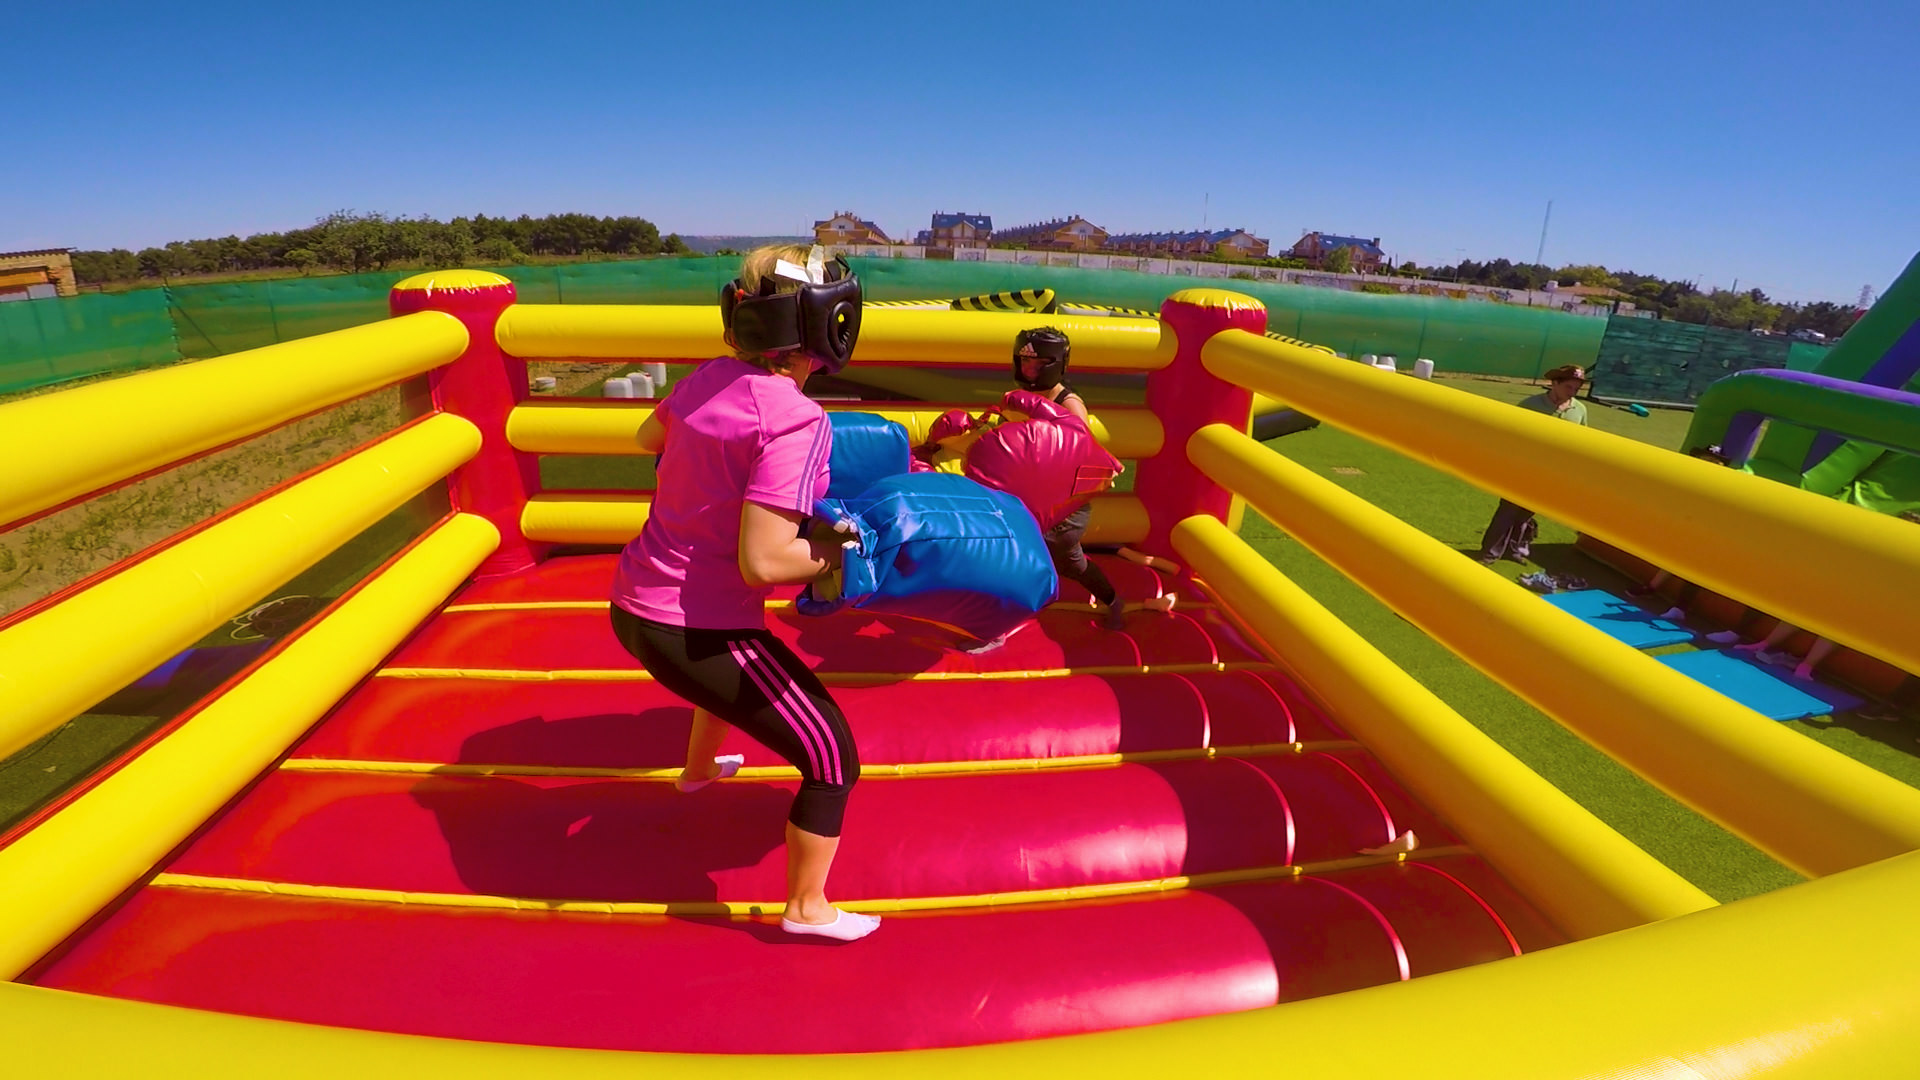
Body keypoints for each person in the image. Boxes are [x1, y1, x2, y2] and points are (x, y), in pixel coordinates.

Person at [607, 244, 878, 942]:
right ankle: (807, 908)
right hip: (695, 628)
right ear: (826, 324)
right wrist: (843, 549)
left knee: (728, 674)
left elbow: (647, 437)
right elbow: (763, 564)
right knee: (832, 756)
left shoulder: (707, 380)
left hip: (633, 604)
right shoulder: (795, 418)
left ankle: (698, 774)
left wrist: (718, 476)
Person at [1011, 327, 1131, 629]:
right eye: (1025, 363)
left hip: (1066, 505)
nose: (1029, 370)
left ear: (1055, 365)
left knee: (1069, 560)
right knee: (1013, 549)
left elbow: (1085, 454)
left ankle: (1114, 600)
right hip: (1031, 496)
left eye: (1037, 365)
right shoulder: (1022, 397)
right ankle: (1001, 619)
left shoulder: (1068, 405)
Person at [1477, 364, 1590, 564]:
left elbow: (1583, 440)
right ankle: (1489, 553)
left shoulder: (1579, 410)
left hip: (1551, 473)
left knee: (1526, 513)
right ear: (1554, 384)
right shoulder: (1530, 405)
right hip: (1523, 469)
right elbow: (1510, 435)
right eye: (1568, 387)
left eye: (1576, 389)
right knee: (1508, 511)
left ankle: (1514, 550)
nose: (1572, 393)